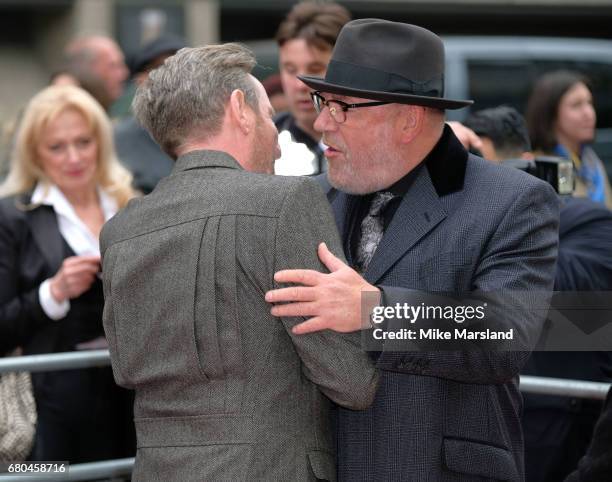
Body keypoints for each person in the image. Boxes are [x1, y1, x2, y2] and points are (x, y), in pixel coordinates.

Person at [265, 19, 559, 481]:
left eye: (343, 107)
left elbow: (506, 334)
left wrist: (376, 311)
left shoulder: (513, 200)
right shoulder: (310, 198)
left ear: (407, 119)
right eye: (325, 102)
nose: (322, 123)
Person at [100, 43, 378, 481]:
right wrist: (384, 312)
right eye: (269, 115)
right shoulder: (286, 202)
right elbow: (352, 380)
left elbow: (125, 366)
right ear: (239, 110)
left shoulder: (120, 230)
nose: (279, 146)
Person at [466, 105, 612, 482]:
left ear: (525, 165)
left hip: (557, 433)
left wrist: (378, 314)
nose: (474, 183)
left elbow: (556, 288)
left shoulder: (588, 221)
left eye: (485, 167)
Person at [0, 85, 135, 462]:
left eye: (83, 141)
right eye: (57, 147)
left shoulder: (130, 204)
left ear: (101, 142)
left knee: (125, 472)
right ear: (35, 154)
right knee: (45, 475)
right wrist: (52, 293)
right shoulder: (13, 217)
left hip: (131, 394)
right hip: (50, 403)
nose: (73, 157)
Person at [274, 1, 350, 175]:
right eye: (290, 70)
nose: (300, 84)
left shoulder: (371, 144)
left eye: (315, 70)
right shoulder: (265, 145)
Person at [526, 70, 612, 208]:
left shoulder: (591, 161)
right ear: (551, 114)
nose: (589, 113)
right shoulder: (541, 169)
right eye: (576, 105)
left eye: (590, 103)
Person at [114, 35, 186, 194]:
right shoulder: (120, 138)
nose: (171, 77)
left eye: (179, 67)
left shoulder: (210, 127)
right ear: (139, 80)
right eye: (159, 69)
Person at [63, 35, 129, 112]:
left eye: (121, 65)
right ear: (86, 68)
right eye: (113, 66)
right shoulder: (68, 111)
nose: (124, 74)